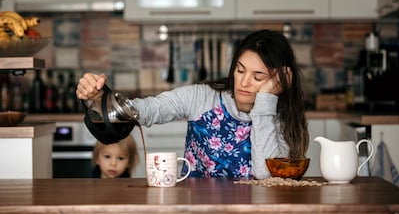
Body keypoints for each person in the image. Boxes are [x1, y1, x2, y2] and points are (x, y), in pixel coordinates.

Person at [77, 29, 309, 180]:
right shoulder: (202, 97)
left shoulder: (278, 117)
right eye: (239, 70)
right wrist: (100, 100)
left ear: (279, 80)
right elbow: (148, 109)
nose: (244, 82)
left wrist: (266, 103)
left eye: (258, 77)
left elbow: (267, 176)